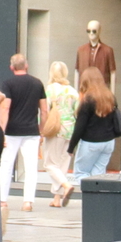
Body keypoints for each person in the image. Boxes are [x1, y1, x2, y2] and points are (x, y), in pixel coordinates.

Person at [62, 72, 121, 202]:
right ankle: (99, 202)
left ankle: (90, 200)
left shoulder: (87, 100)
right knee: (99, 174)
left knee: (81, 173)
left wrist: (71, 147)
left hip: (91, 142)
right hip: (108, 142)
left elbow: (80, 126)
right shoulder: (110, 97)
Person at [0, 52, 46, 209]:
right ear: (26, 65)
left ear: (11, 67)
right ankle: (28, 201)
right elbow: (44, 110)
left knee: (6, 165)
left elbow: (5, 107)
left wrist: (2, 131)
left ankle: (2, 200)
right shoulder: (37, 83)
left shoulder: (8, 84)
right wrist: (42, 131)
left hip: (12, 130)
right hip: (31, 130)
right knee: (31, 167)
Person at [40, 62, 80, 202]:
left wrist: (42, 129)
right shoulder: (73, 91)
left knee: (50, 164)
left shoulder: (50, 90)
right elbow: (78, 111)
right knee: (63, 163)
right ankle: (57, 198)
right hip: (70, 130)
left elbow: (44, 111)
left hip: (55, 129)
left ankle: (66, 185)